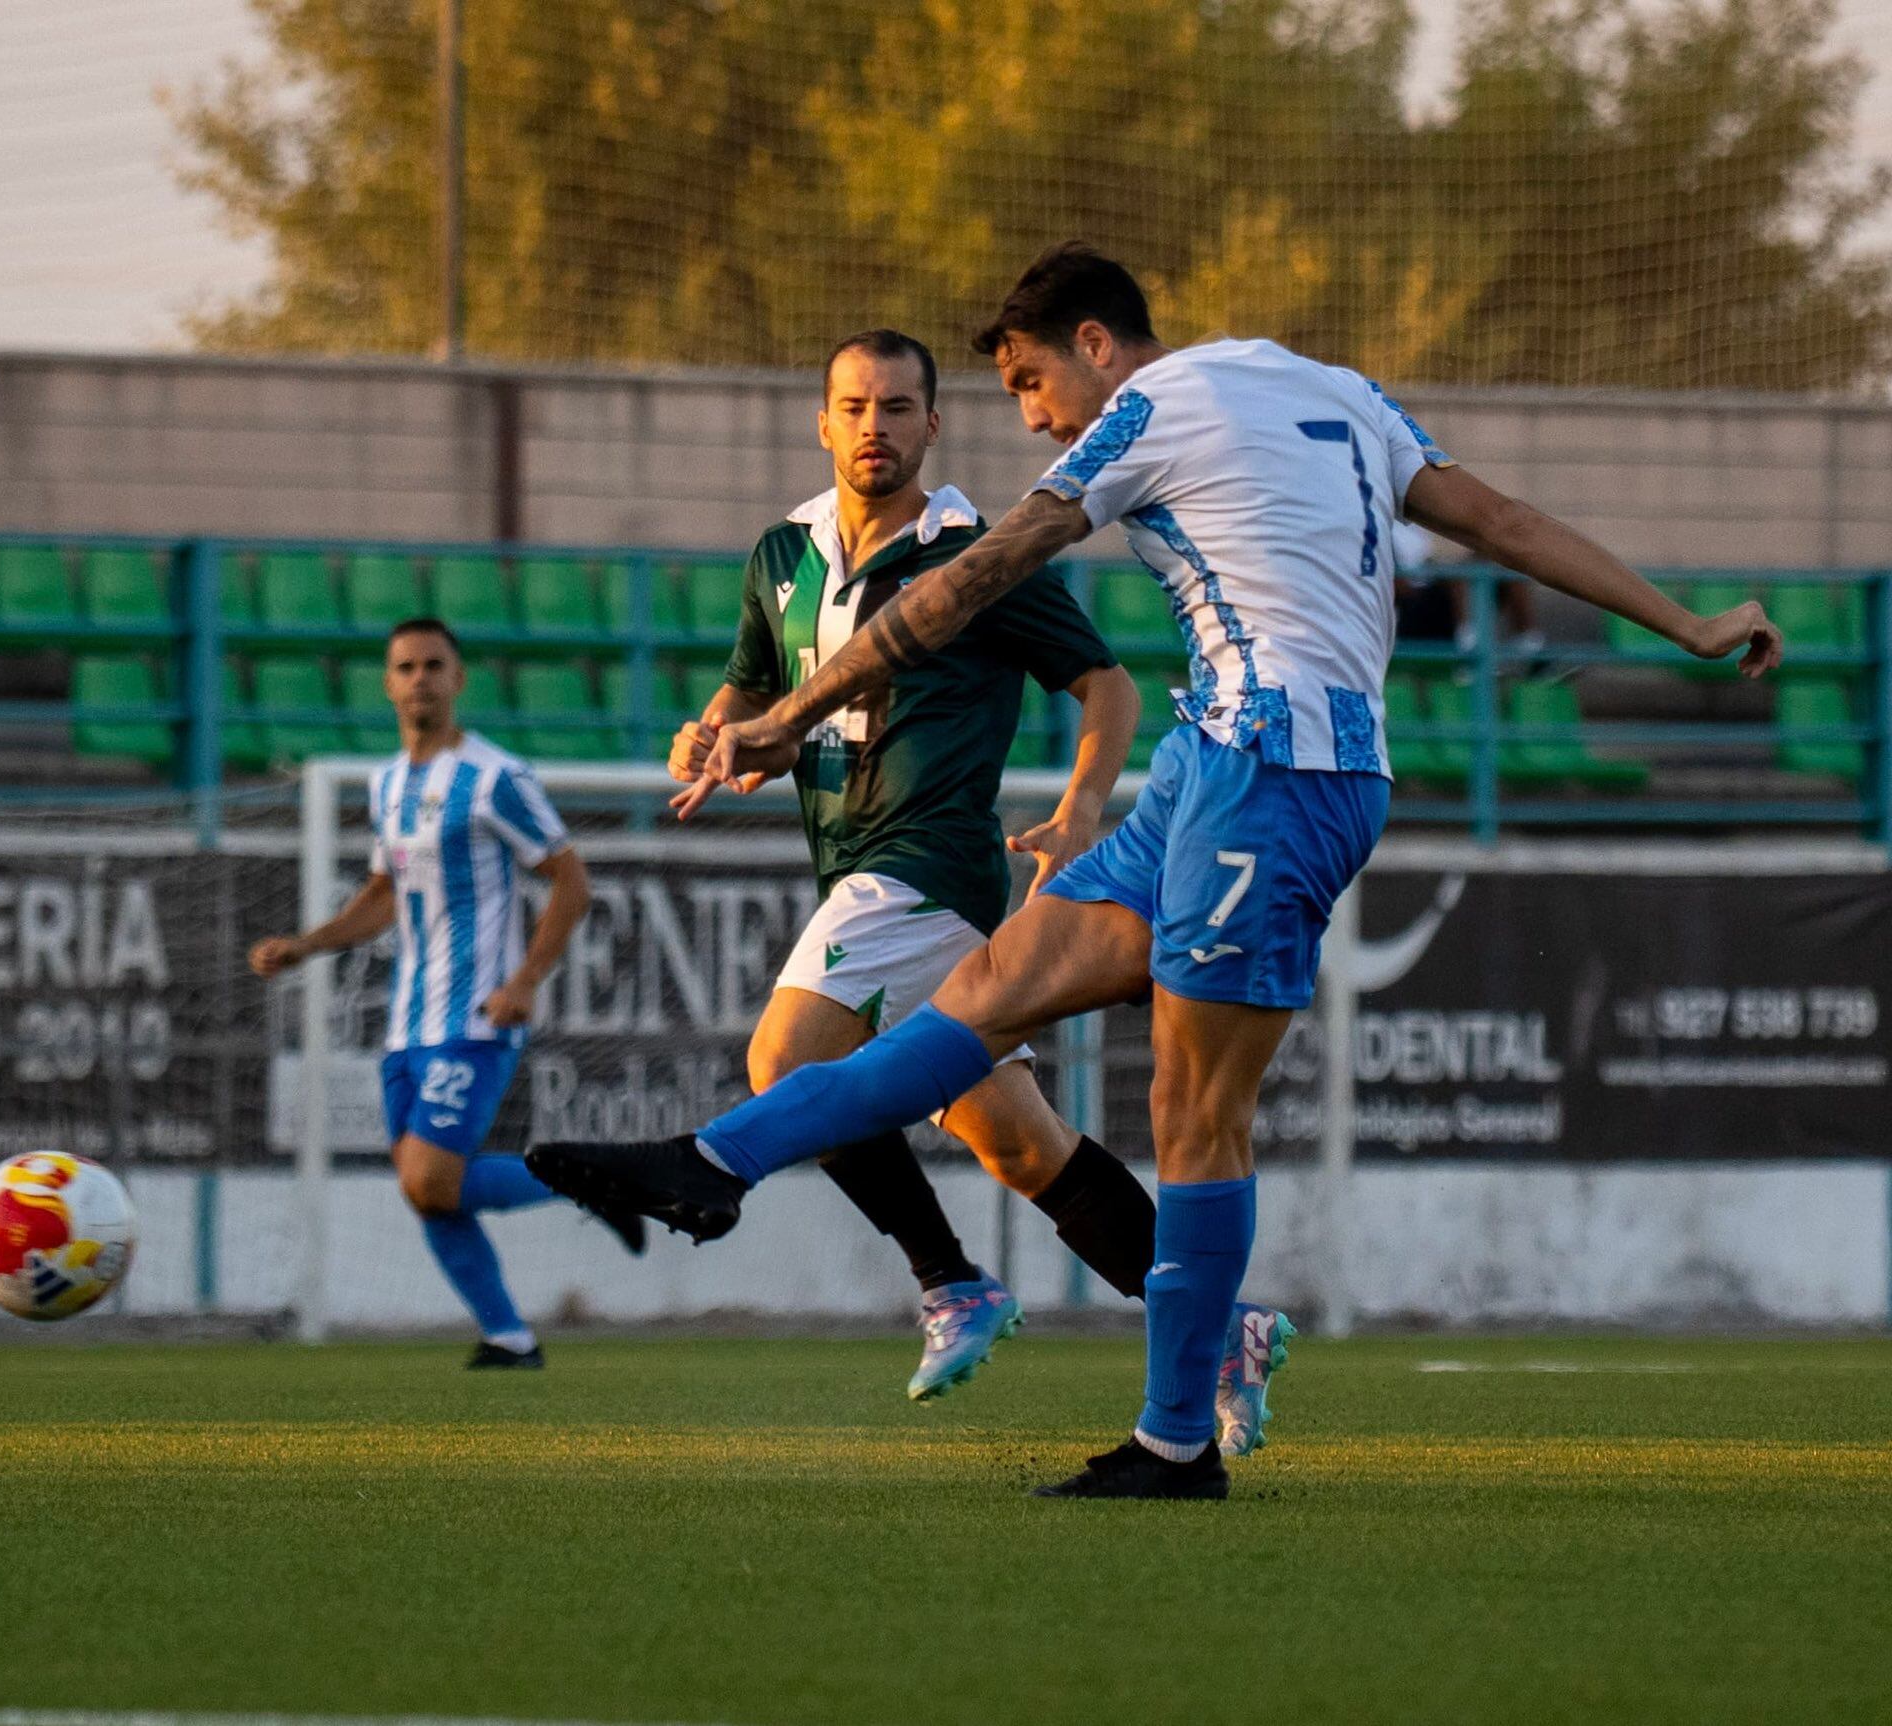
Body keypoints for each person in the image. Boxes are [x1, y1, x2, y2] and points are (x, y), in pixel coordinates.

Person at [530, 243, 1784, 1496]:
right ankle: (717, 1161)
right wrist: (1685, 622)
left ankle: (1175, 1438)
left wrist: (788, 714)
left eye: (1028, 381)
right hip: (1210, 759)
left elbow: (967, 583)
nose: (1028, 415)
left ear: (1091, 343)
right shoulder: (1341, 389)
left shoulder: (1145, 409)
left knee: (1194, 1114)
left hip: (1283, 779)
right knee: (984, 997)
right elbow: (1499, 523)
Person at [668, 325, 1161, 1402]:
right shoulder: (781, 555)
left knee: (786, 1061)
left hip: (926, 866)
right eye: (853, 407)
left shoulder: (973, 555)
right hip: (851, 868)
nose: (872, 427)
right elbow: (754, 691)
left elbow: (1108, 687)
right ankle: (1218, 1323)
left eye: (896, 408)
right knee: (1023, 1147)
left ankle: (948, 1283)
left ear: (932, 426)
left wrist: (1080, 811)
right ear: (822, 423)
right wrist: (710, 728)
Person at [252, 617, 645, 1369]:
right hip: (407, 1025)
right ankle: (509, 1336)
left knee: (431, 1175)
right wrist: (307, 945)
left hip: (477, 1015)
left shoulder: (495, 777)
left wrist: (525, 980)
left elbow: (571, 878)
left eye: (435, 665)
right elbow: (382, 894)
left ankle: (601, 1180)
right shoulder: (388, 784)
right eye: (406, 667)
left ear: (459, 679)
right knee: (426, 1189)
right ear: (388, 683)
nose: (420, 678)